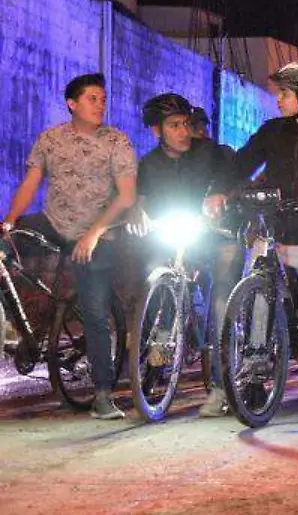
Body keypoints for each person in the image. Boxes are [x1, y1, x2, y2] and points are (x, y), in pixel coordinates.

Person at [204, 60, 298, 415]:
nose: (279, 100)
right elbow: (242, 163)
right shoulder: (272, 131)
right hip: (273, 231)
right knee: (260, 299)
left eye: (285, 93)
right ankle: (255, 377)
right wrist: (220, 190)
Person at [2, 73, 137, 420]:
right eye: (93, 98)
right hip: (54, 223)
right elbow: (31, 183)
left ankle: (103, 394)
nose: (100, 105)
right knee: (5, 250)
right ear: (72, 104)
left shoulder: (116, 141)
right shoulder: (50, 139)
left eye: (103, 99)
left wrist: (94, 233)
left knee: (94, 310)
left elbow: (126, 196)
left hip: (99, 232)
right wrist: (10, 220)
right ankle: (21, 327)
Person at [129, 93, 245, 417]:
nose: (183, 132)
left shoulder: (213, 153)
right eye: (174, 126)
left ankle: (222, 387)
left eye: (185, 124)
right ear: (157, 130)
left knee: (221, 304)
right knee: (159, 285)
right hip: (183, 239)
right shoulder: (149, 164)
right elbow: (141, 199)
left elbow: (235, 179)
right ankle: (154, 366)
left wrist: (221, 197)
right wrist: (138, 213)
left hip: (221, 237)